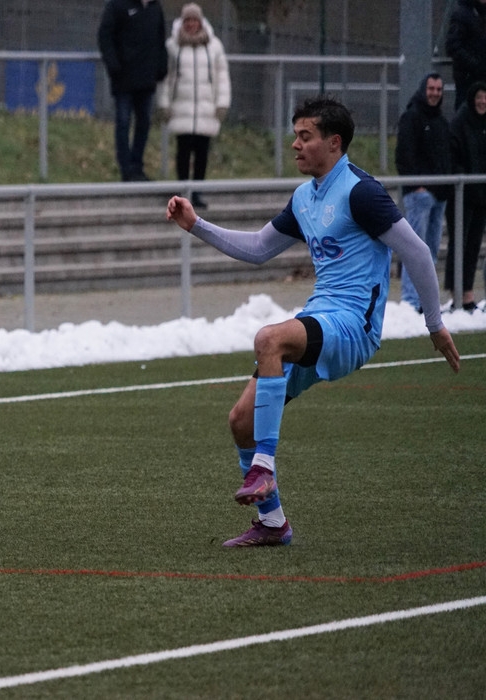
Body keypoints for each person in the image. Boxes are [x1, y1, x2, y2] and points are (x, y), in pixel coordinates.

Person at [165, 97, 461, 547]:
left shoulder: (361, 192)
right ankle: (272, 523)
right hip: (319, 320)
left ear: (334, 142)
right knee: (241, 420)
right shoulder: (306, 197)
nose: (295, 145)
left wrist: (435, 324)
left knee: (268, 338)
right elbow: (259, 249)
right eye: (296, 135)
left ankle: (263, 467)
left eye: (305, 136)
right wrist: (196, 225)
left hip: (353, 328)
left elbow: (417, 252)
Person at [157, 2, 231, 208]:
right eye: (187, 20)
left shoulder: (214, 46)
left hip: (206, 110)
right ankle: (183, 192)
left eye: (194, 20)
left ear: (200, 22)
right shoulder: (173, 46)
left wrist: (222, 103)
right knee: (183, 152)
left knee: (201, 154)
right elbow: (166, 78)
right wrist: (164, 103)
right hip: (181, 108)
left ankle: (197, 192)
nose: (191, 24)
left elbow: (222, 76)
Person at [394, 73, 452, 312]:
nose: (435, 93)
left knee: (431, 251)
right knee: (414, 249)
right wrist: (418, 185)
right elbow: (403, 156)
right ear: (423, 89)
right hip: (419, 196)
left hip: (439, 197)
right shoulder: (411, 117)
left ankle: (427, 299)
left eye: (439, 89)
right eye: (431, 88)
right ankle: (410, 301)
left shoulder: (440, 121)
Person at [98, 0, 169, 182]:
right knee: (123, 122)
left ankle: (137, 167)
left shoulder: (155, 8)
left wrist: (161, 67)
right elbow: (105, 36)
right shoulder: (118, 5)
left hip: (147, 79)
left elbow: (160, 39)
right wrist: (114, 65)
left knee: (144, 123)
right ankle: (126, 169)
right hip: (124, 78)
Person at [445, 81, 486, 312]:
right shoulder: (460, 122)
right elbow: (454, 156)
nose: (482, 102)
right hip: (462, 196)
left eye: (485, 97)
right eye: (479, 97)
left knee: (473, 246)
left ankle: (468, 294)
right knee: (458, 244)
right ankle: (456, 294)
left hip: (481, 196)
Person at [446, 0, 486, 111]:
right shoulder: (463, 14)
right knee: (465, 114)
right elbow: (452, 46)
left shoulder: (478, 14)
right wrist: (476, 65)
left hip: (476, 77)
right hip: (468, 79)